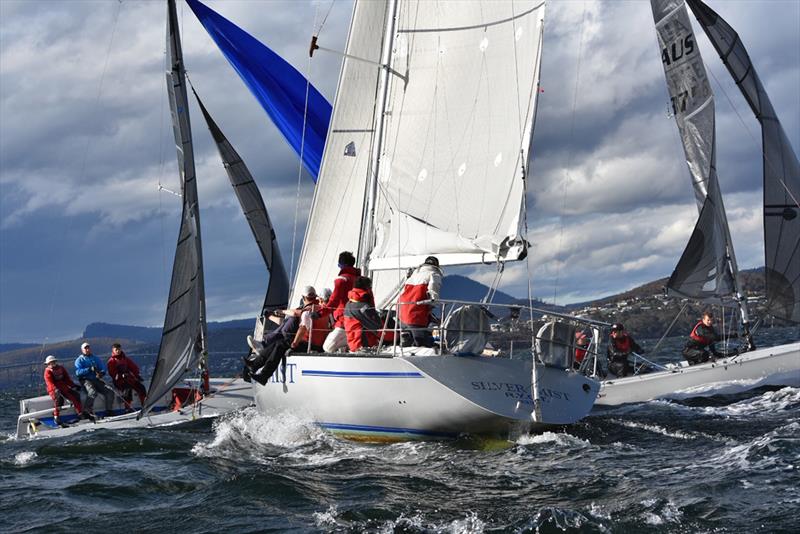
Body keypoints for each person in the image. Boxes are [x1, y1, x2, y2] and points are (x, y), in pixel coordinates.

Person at [317, 251, 363, 353]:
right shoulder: (360, 280)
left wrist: (319, 313)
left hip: (344, 321)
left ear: (341, 265)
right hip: (360, 320)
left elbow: (334, 300)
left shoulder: (342, 280)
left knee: (328, 347)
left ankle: (350, 341)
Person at [398, 256, 443, 347]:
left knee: (408, 341)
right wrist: (433, 303)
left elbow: (402, 293)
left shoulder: (413, 276)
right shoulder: (434, 274)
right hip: (417, 314)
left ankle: (405, 341)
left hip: (402, 312)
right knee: (422, 344)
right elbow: (433, 291)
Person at [344, 276, 394, 352]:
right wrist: (397, 336)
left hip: (354, 345)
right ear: (367, 288)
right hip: (364, 347)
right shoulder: (363, 307)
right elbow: (379, 329)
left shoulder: (349, 304)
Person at [43, 355, 90, 427]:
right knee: (59, 400)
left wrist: (74, 386)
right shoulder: (47, 372)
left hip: (63, 387)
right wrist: (55, 389)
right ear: (48, 364)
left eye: (53, 362)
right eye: (50, 363)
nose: (52, 364)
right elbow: (49, 383)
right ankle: (56, 417)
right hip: (53, 389)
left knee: (75, 396)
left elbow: (67, 379)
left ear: (55, 362)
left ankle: (80, 413)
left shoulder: (61, 368)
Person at [74, 342, 115, 417]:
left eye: (88, 348)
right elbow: (78, 373)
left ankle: (109, 410)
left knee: (110, 392)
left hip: (96, 379)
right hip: (85, 380)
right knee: (92, 392)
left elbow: (102, 367)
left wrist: (102, 373)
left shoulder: (96, 358)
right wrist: (89, 369)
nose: (87, 349)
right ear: (82, 350)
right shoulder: (79, 360)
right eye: (85, 348)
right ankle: (86, 411)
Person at [286, 287, 331, 354]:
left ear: (303, 298)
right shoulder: (328, 313)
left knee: (280, 344)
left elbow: (302, 328)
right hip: (321, 347)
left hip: (309, 345)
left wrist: (293, 346)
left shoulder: (308, 311)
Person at [107, 343, 147, 410]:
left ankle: (144, 405)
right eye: (116, 350)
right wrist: (120, 375)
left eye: (119, 349)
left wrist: (137, 375)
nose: (118, 351)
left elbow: (133, 367)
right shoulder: (111, 361)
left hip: (129, 379)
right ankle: (127, 408)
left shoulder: (125, 359)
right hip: (119, 381)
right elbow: (112, 373)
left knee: (141, 387)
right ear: (113, 350)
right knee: (127, 389)